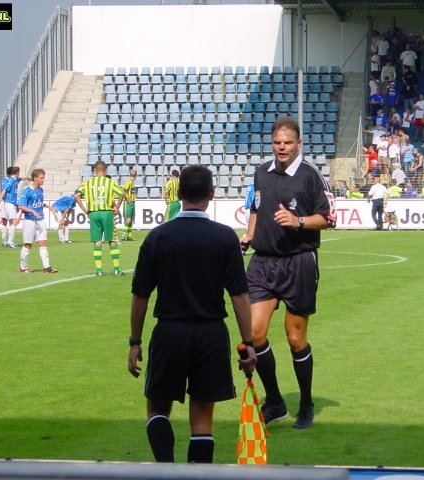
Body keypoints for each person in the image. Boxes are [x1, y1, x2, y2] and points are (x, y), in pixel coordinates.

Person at [128, 165, 256, 464]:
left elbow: (140, 296)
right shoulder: (225, 238)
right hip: (210, 334)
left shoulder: (158, 237)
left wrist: (135, 341)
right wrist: (248, 343)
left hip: (169, 332)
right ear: (211, 195)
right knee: (202, 419)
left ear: (180, 193)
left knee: (157, 409)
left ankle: (165, 470)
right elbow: (239, 295)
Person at [239, 117, 336, 430]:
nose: (282, 147)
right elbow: (255, 207)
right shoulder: (261, 173)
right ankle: (276, 402)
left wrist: (299, 222)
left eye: (288, 142)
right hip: (263, 262)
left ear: (298, 145)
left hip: (298, 263)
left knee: (295, 339)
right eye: (277, 142)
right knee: (254, 334)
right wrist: (249, 234)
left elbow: (328, 217)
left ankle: (305, 403)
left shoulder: (309, 176)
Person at [75, 160, 125, 276]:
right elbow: (122, 193)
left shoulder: (87, 183)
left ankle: (99, 270)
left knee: (97, 241)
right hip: (107, 212)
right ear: (106, 169)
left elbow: (77, 195)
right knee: (112, 240)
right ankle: (117, 269)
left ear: (94, 170)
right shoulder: (110, 182)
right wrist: (117, 207)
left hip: (94, 213)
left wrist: (84, 209)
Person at [17, 169, 58, 273]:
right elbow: (21, 206)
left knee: (43, 242)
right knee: (28, 244)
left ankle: (47, 267)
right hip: (29, 221)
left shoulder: (40, 190)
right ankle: (23, 267)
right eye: (41, 178)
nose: (43, 180)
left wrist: (49, 207)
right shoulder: (27, 190)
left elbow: (39, 203)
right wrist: (32, 211)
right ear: (35, 178)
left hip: (40, 220)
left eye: (44, 177)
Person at [0, 166, 26, 248]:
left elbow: (22, 178)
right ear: (17, 172)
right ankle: (10, 242)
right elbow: (4, 190)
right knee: (14, 222)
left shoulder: (13, 179)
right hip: (9, 203)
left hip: (6, 203)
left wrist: (29, 178)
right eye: (19, 171)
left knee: (5, 221)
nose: (19, 173)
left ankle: (4, 241)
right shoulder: (11, 181)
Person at [122, 169, 138, 241]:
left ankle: (128, 236)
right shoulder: (128, 182)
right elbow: (123, 190)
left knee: (131, 219)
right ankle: (123, 236)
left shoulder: (132, 182)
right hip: (128, 203)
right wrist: (127, 198)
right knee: (128, 219)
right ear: (135, 176)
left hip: (132, 202)